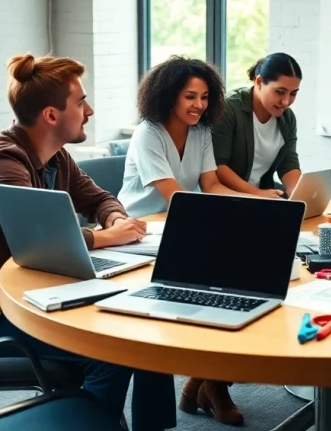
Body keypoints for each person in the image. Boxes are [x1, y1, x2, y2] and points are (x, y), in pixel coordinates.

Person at [0, 54, 176, 431]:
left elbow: (97, 198)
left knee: (143, 329)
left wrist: (117, 218)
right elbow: (40, 236)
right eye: (81, 102)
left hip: (36, 293)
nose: (89, 110)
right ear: (51, 115)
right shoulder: (1, 160)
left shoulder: (56, 156)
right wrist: (107, 236)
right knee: (112, 350)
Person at [116, 56, 245, 426]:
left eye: (205, 97)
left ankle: (204, 384)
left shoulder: (201, 131)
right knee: (219, 283)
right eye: (190, 96)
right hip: (137, 234)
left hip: (180, 227)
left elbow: (212, 185)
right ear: (169, 95)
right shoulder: (148, 133)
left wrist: (259, 205)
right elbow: (174, 195)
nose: (199, 105)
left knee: (233, 288)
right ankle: (208, 385)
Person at [213, 53, 302, 197]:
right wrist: (256, 193)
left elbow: (288, 162)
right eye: (280, 92)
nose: (286, 102)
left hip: (261, 196)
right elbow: (217, 165)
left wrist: (299, 195)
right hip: (228, 198)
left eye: (293, 94)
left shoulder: (287, 118)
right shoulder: (229, 108)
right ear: (259, 82)